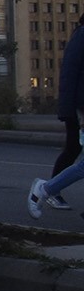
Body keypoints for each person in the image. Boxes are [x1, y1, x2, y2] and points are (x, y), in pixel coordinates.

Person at [49, 16, 84, 210]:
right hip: (79, 109)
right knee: (72, 148)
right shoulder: (81, 37)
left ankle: (49, 189)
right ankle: (49, 190)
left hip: (78, 107)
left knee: (74, 149)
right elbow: (69, 74)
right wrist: (67, 111)